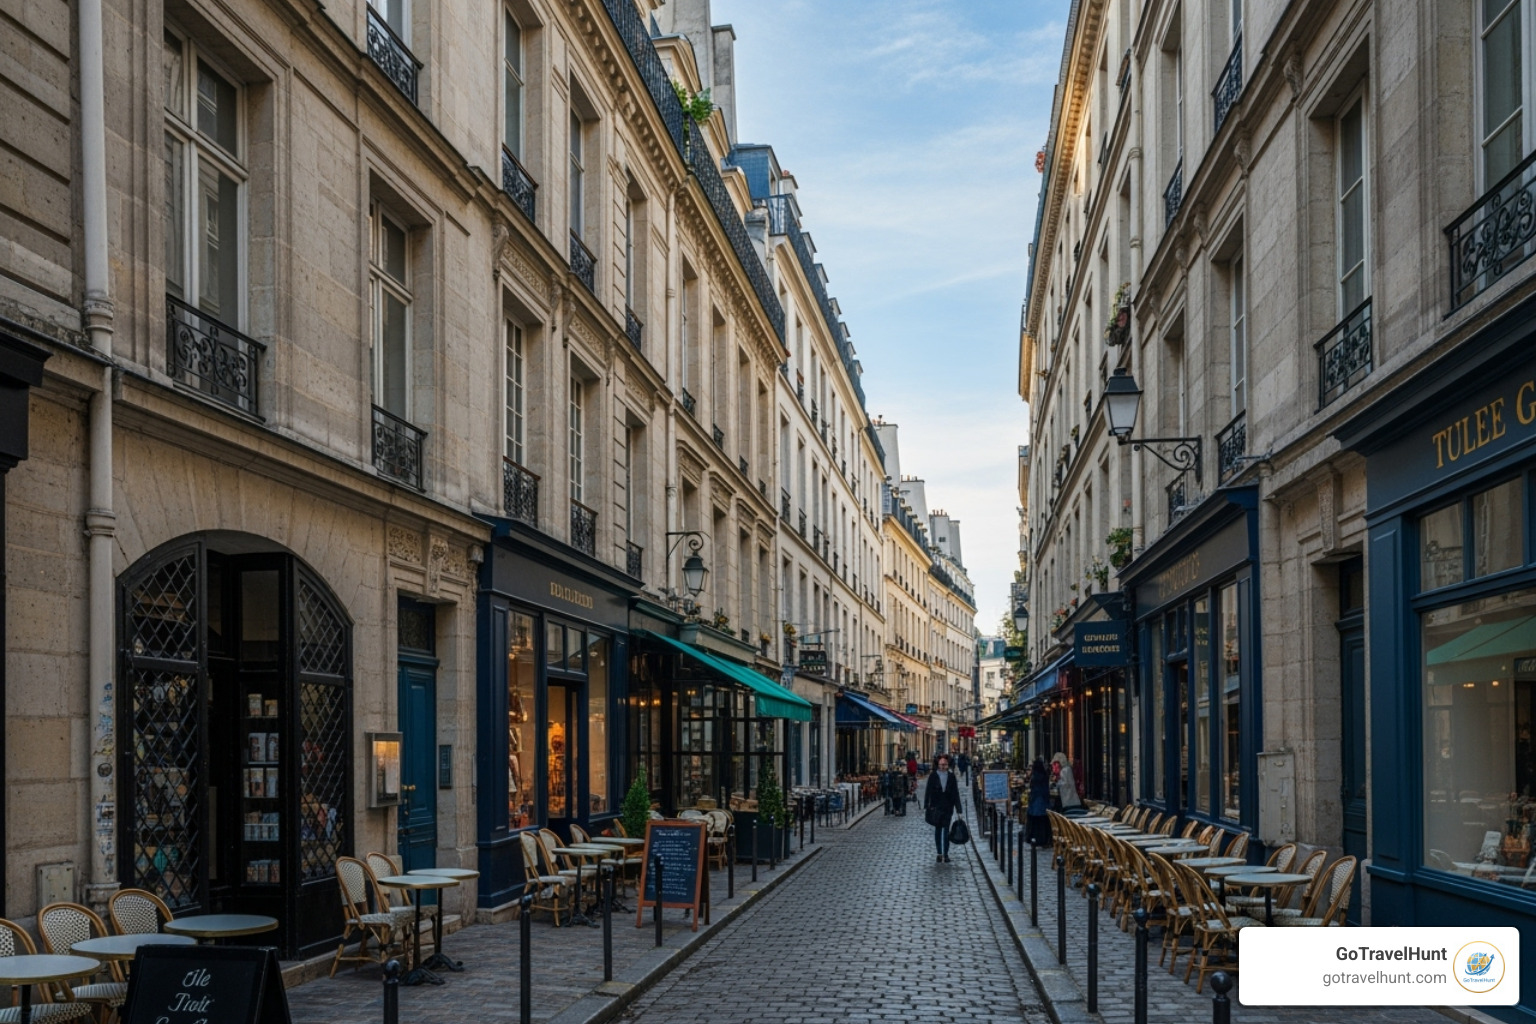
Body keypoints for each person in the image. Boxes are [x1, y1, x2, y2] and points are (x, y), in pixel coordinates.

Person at [923, 753, 963, 863]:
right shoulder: (933, 776)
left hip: (947, 807)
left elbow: (955, 793)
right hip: (936, 807)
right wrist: (927, 805)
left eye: (945, 764)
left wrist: (959, 809)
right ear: (938, 764)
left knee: (946, 831)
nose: (943, 766)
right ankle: (939, 853)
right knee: (938, 830)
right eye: (941, 764)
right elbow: (928, 791)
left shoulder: (951, 776)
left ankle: (946, 853)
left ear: (948, 764)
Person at [1025, 757, 1053, 846]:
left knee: (1035, 822)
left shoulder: (1034, 777)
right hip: (1043, 802)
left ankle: (1035, 839)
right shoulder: (1045, 776)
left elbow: (1033, 789)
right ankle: (1044, 839)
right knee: (1043, 822)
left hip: (1035, 803)